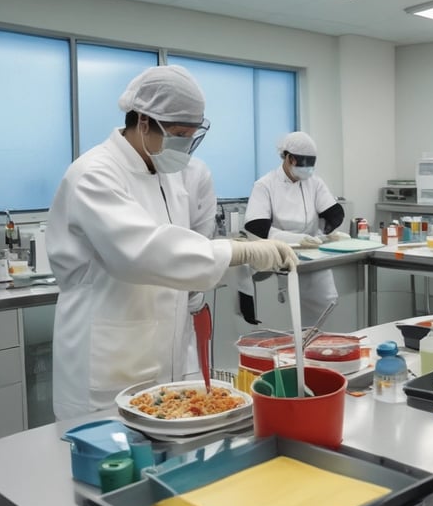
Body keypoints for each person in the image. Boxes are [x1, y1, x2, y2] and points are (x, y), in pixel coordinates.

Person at [46, 65, 298, 419]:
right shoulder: (94, 174)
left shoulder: (166, 175)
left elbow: (184, 241)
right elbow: (142, 251)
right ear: (145, 122)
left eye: (191, 135)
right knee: (108, 462)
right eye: (178, 133)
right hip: (107, 356)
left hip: (167, 352)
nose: (184, 145)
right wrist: (237, 250)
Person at [244, 131, 344, 326]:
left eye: (311, 164)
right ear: (289, 158)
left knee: (325, 309)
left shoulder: (314, 182)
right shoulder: (265, 185)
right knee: (290, 320)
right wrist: (295, 240)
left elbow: (335, 213)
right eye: (303, 163)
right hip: (282, 258)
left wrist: (322, 233)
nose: (307, 170)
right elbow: (257, 227)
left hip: (314, 260)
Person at [180, 155, 217, 379]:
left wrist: (194, 282)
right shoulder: (103, 170)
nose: (186, 142)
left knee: (188, 390)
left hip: (184, 304)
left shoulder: (197, 171)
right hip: (131, 316)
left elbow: (202, 234)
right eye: (180, 134)